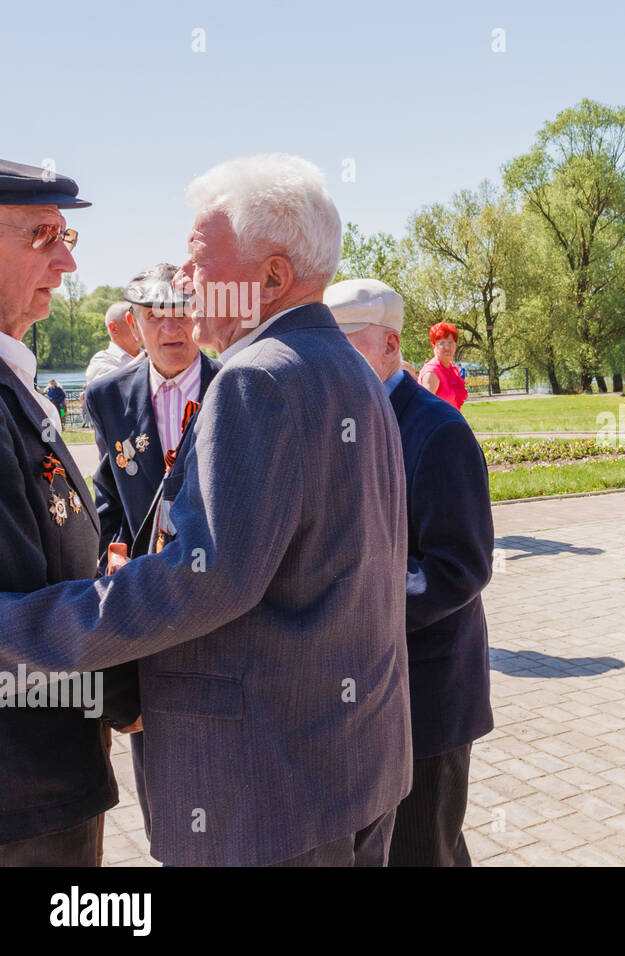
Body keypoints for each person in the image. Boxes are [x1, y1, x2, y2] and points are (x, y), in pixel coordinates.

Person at [0, 153, 412, 867]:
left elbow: (207, 577)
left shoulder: (258, 378)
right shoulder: (344, 363)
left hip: (265, 789)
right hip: (346, 764)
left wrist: (18, 626)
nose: (182, 283)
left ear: (272, 278)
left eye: (196, 259)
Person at [328, 278, 494, 867]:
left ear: (391, 344)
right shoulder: (338, 422)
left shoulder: (438, 431)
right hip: (358, 693)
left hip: (426, 696)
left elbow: (458, 568)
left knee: (426, 849)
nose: (332, 359)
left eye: (347, 344)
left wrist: (346, 605)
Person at [0, 158, 128, 866]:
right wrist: (121, 692)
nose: (68, 257)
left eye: (67, 233)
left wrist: (90, 560)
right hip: (25, 790)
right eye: (43, 234)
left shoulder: (14, 380)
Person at [80, 264, 221, 842]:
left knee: (225, 762)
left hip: (220, 599)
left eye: (183, 312)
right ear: (133, 325)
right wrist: (107, 550)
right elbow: (109, 489)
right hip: (147, 609)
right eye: (155, 317)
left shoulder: (235, 383)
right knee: (160, 778)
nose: (172, 329)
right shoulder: (107, 396)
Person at [84, 302, 143, 386]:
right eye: (134, 322)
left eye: (143, 322)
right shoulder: (100, 360)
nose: (142, 327)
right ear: (114, 328)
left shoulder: (154, 357)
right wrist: (146, 355)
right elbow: (119, 383)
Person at [419, 322, 468, 410]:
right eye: (442, 343)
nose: (447, 347)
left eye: (451, 342)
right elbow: (425, 409)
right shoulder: (432, 372)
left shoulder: (451, 368)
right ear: (433, 345)